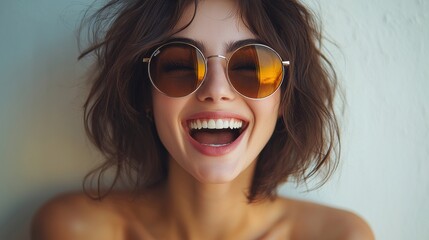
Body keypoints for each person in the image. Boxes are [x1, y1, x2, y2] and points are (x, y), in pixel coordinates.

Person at [31, 0, 374, 239]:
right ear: (144, 95)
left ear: (285, 98)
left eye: (250, 67)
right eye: (179, 65)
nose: (216, 90)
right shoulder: (72, 230)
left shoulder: (342, 236)